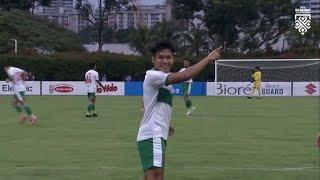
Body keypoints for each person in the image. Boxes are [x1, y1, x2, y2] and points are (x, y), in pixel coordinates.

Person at [137, 41, 222, 180]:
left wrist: (166, 123)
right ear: (153, 59)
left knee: (152, 175)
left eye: (168, 57)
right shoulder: (153, 75)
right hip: (153, 133)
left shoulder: (162, 80)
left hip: (156, 133)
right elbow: (184, 76)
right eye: (161, 57)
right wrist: (208, 58)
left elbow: (150, 104)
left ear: (173, 59)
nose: (165, 61)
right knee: (155, 176)